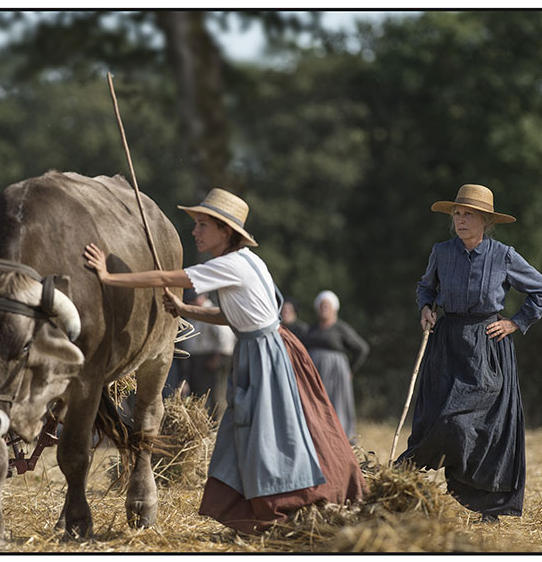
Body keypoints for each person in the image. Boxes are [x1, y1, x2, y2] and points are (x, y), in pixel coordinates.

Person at [84, 188, 365, 534]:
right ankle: (261, 511)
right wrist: (185, 309)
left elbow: (164, 277)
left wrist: (108, 277)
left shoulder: (230, 264)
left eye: (202, 224)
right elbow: (237, 316)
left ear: (225, 230)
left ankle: (286, 509)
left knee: (271, 435)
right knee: (255, 432)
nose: (195, 231)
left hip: (266, 356)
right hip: (267, 348)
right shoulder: (249, 261)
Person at [396, 184, 542, 523]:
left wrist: (515, 322)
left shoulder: (504, 255)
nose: (461, 220)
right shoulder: (441, 252)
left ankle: (489, 509)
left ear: (486, 221)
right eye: (457, 213)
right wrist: (426, 308)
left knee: (481, 427)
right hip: (447, 345)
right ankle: (402, 482)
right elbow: (426, 287)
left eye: (469, 214)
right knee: (439, 418)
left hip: (487, 348)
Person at [304, 290, 369, 442]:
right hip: (315, 373)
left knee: (337, 403)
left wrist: (351, 369)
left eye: (327, 306)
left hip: (335, 373)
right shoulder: (312, 328)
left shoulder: (340, 328)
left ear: (334, 308)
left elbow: (362, 348)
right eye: (321, 306)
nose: (324, 309)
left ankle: (341, 438)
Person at [177, 291, 236, 421]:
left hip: (211, 358)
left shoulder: (211, 311)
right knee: (200, 395)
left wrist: (217, 358)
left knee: (214, 395)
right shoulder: (194, 313)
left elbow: (225, 338)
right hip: (196, 359)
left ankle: (215, 422)